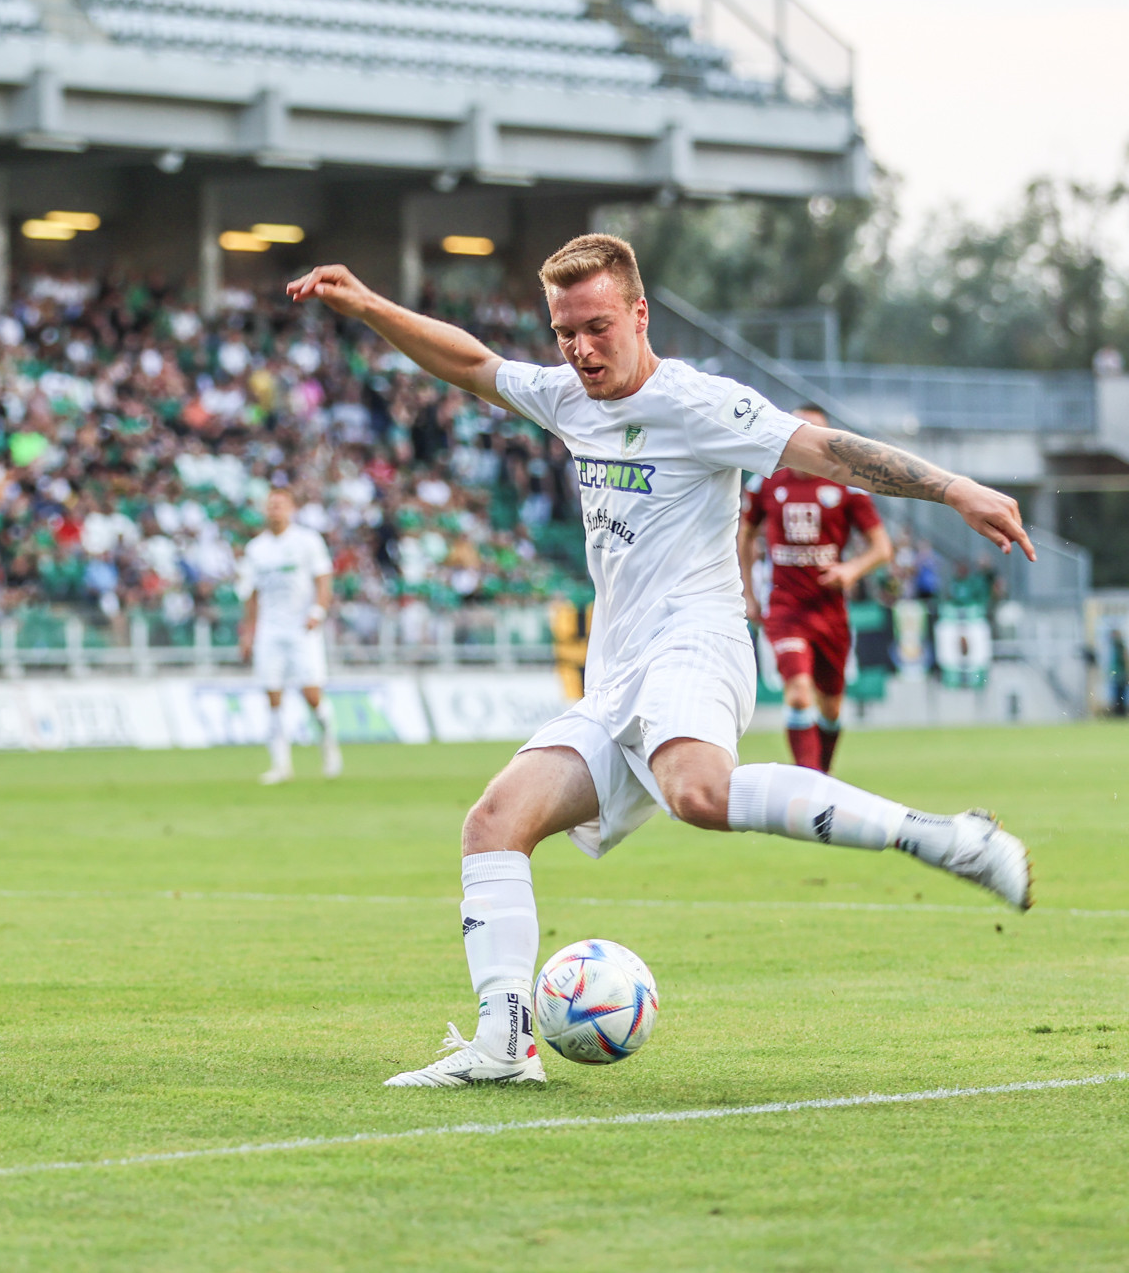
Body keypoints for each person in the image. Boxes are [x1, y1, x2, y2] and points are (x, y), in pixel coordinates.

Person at [288, 234, 1035, 1088]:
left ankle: (949, 838)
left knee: (699, 792)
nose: (580, 349)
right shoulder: (569, 397)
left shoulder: (702, 404)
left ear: (639, 314)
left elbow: (828, 451)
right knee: (493, 823)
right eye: (565, 332)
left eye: (597, 327)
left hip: (698, 642)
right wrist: (368, 305)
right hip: (617, 676)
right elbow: (472, 363)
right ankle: (504, 1045)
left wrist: (954, 488)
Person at [739, 407, 893, 772]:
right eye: (799, 429)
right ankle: (809, 783)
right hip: (785, 608)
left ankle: (821, 777)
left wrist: (851, 569)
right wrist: (749, 594)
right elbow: (744, 534)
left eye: (816, 431)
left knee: (832, 708)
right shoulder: (765, 483)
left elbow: (882, 548)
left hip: (830, 612)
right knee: (798, 693)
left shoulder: (846, 486)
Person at [236, 488, 340, 783]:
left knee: (312, 695)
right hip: (270, 630)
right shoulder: (256, 549)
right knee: (272, 696)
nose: (275, 510)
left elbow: (323, 580)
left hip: (302, 628)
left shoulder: (307, 541)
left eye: (280, 505)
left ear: (291, 509)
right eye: (270, 505)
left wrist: (317, 611)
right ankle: (281, 765)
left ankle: (329, 746)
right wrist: (248, 633)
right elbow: (251, 594)